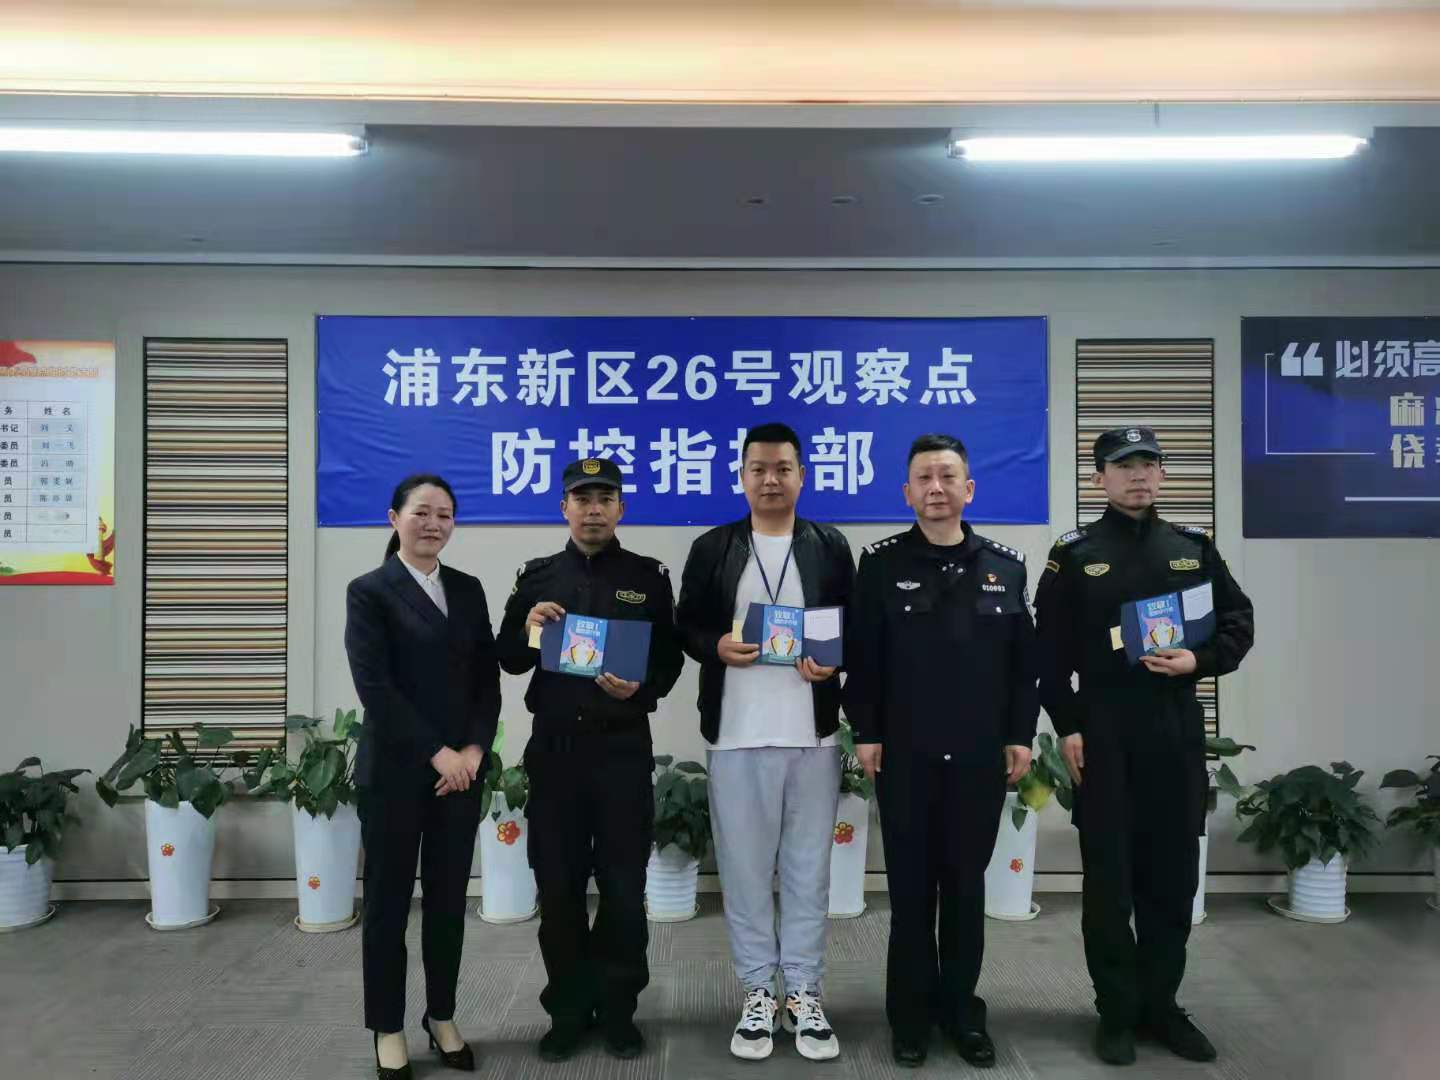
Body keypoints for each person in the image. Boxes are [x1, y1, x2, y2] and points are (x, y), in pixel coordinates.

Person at [1033, 426, 1254, 1067]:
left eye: (1148, 464)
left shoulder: (1192, 548)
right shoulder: (1074, 554)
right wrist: (1068, 725)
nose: (1138, 475)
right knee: (1110, 883)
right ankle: (1116, 1011)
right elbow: (1046, 654)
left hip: (1174, 729)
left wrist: (1199, 660)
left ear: (1162, 474)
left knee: (1172, 878)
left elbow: (1238, 622)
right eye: (1123, 465)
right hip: (1104, 731)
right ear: (1099, 477)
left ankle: (1161, 1005)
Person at [844, 433, 1038, 1068]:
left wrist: (1020, 734)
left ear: (968, 489)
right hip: (906, 756)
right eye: (924, 478)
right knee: (909, 894)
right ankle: (910, 1018)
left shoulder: (1006, 567)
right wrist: (866, 731)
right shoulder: (880, 564)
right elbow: (863, 658)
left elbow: (1023, 666)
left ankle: (961, 1014)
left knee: (964, 891)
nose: (936, 487)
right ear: (907, 492)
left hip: (979, 757)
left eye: (948, 476)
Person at [675, 421, 855, 1063]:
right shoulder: (713, 546)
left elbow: (852, 625)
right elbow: (685, 624)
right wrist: (715, 646)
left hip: (812, 735)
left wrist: (833, 662)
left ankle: (803, 992)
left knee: (809, 871)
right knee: (746, 873)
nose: (771, 480)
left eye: (782, 468)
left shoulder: (829, 545)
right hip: (736, 735)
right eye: (759, 469)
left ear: (802, 475)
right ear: (742, 476)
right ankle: (757, 992)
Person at [495, 457, 684, 1063]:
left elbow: (671, 660)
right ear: (564, 508)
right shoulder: (537, 577)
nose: (594, 509)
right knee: (559, 889)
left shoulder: (649, 577)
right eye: (582, 499)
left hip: (622, 751)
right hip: (556, 754)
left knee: (625, 890)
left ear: (621, 508)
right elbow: (508, 659)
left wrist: (641, 690)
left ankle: (619, 1008)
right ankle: (569, 1011)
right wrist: (529, 626)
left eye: (605, 498)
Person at [344, 473, 501, 1080]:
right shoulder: (370, 591)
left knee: (447, 902)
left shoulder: (468, 589)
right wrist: (439, 754)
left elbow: (486, 679)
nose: (434, 524)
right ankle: (387, 1027)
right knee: (387, 905)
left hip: (460, 775)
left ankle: (441, 1015)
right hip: (397, 774)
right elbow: (375, 688)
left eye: (444, 514)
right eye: (421, 512)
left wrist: (474, 750)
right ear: (394, 519)